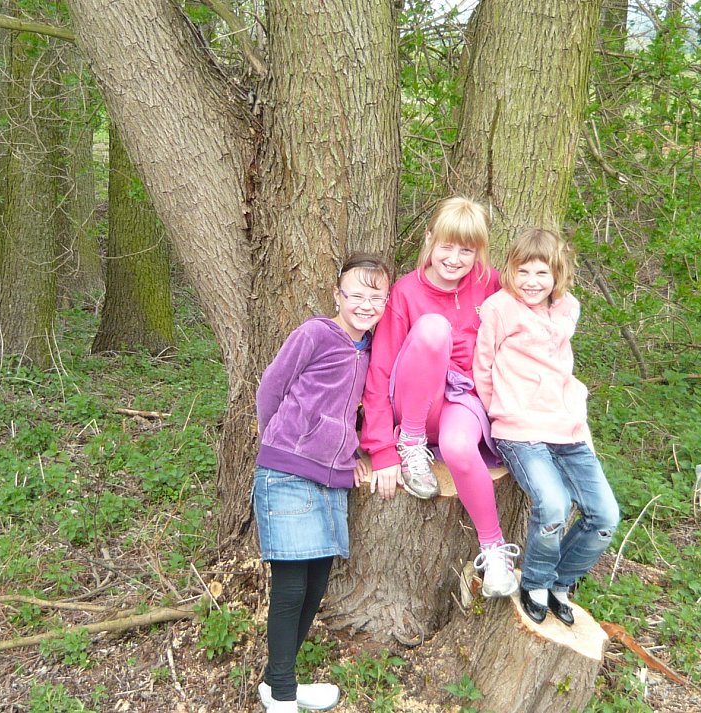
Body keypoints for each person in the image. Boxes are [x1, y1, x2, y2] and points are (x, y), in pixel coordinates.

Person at [252, 253, 393, 713]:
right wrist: (283, 440)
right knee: (291, 586)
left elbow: (358, 409)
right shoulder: (315, 333)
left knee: (315, 585)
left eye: (376, 297)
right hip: (287, 471)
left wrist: (352, 453)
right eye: (356, 294)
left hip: (332, 479)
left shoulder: (371, 350)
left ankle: (278, 682)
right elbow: (271, 387)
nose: (365, 305)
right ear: (337, 295)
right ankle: (282, 695)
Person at [360, 196, 519, 598]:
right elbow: (379, 372)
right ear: (429, 238)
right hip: (415, 402)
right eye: (447, 246)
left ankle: (494, 551)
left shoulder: (490, 283)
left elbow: (530, 326)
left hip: (462, 399)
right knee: (433, 329)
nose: (454, 258)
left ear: (478, 252)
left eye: (466, 250)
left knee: (459, 447)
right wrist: (382, 449)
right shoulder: (405, 291)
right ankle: (411, 444)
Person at [473, 227, 619, 627]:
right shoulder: (499, 308)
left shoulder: (567, 309)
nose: (531, 282)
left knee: (605, 517)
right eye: (523, 271)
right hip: (520, 431)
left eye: (542, 273)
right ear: (510, 270)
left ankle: (560, 582)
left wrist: (575, 416)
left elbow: (561, 370)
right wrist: (501, 412)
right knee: (553, 505)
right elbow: (483, 367)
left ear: (557, 275)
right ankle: (535, 582)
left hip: (567, 429)